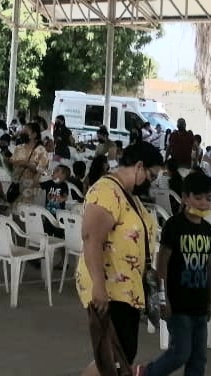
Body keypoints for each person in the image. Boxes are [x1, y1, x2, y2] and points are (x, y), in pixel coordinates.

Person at [76, 141, 164, 376]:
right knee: (113, 357)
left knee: (118, 354)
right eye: (151, 176)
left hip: (127, 287)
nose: (152, 182)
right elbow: (91, 238)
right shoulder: (106, 192)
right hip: (110, 287)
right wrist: (98, 286)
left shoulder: (127, 195)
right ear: (139, 166)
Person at [139, 170, 211, 376]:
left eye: (208, 198)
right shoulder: (174, 225)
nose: (203, 203)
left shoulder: (208, 229)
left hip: (200, 304)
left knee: (199, 357)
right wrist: (163, 298)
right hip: (178, 304)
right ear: (185, 198)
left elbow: (208, 265)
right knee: (180, 353)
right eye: (198, 198)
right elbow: (162, 261)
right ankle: (147, 373)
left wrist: (210, 300)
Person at [9, 123, 50, 205]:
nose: (22, 133)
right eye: (23, 131)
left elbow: (42, 170)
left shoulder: (41, 150)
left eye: (25, 131)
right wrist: (15, 162)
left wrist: (26, 164)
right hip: (17, 184)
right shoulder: (18, 148)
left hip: (32, 188)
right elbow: (11, 161)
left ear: (34, 135)